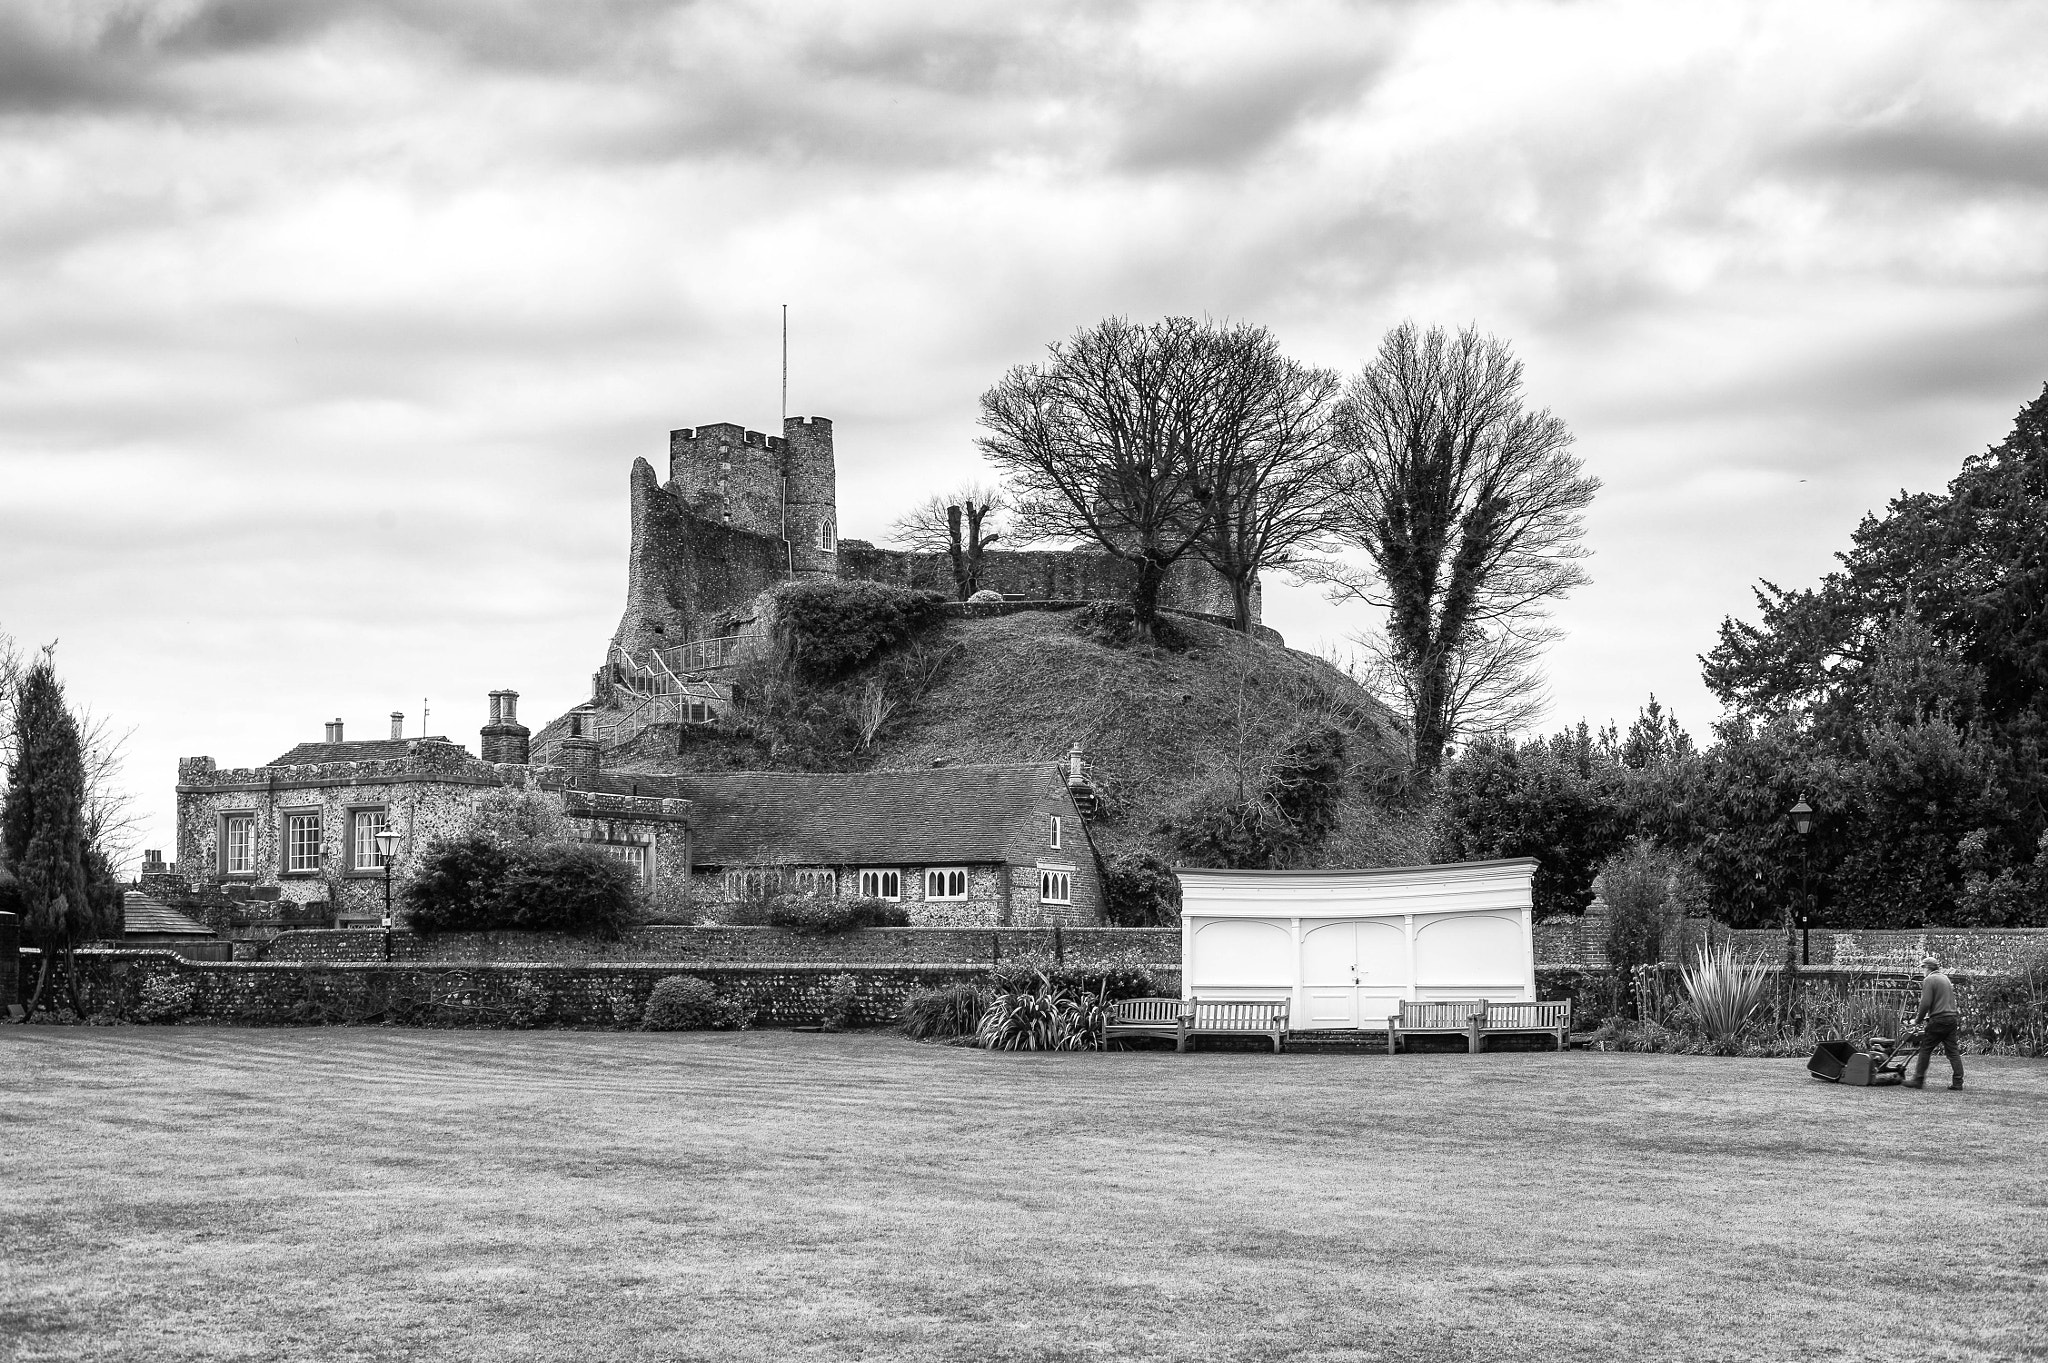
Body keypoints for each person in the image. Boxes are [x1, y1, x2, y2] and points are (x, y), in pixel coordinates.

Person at [1903, 955, 1963, 1090]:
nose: (1922, 971)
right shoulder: (1945, 978)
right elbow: (1943, 1002)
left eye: (1923, 968)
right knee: (1953, 1051)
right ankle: (1958, 1082)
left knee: (1925, 1048)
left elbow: (1925, 1003)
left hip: (1939, 1020)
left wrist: (1917, 1020)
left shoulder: (1929, 980)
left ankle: (1918, 1080)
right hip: (1951, 1019)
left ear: (1927, 968)